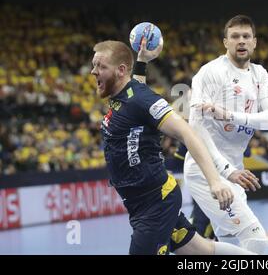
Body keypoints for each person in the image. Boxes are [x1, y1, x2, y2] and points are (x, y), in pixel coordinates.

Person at [91, 38, 256, 255]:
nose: (94, 71)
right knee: (201, 250)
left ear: (121, 70)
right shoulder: (125, 97)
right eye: (94, 65)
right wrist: (141, 61)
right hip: (141, 203)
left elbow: (188, 133)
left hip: (155, 202)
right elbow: (135, 95)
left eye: (101, 66)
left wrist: (215, 182)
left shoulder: (142, 99)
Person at [183, 15, 268, 254]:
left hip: (234, 172)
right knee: (255, 239)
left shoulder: (259, 74)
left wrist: (230, 116)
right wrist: (226, 171)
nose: (241, 41)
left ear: (255, 42)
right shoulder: (210, 73)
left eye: (246, 36)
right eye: (235, 36)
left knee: (224, 240)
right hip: (205, 172)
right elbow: (195, 128)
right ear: (225, 42)